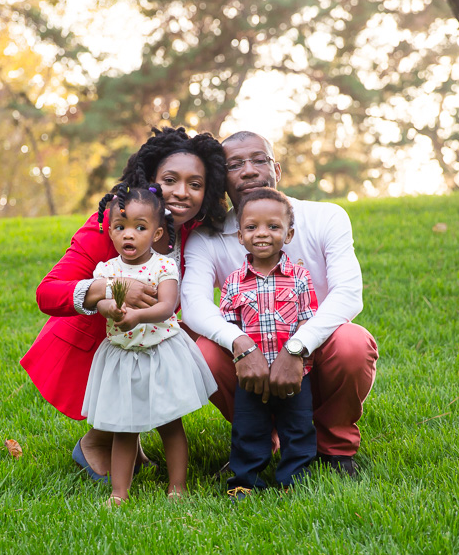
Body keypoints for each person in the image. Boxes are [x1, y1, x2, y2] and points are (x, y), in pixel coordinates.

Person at [20, 127, 227, 482]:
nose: (182, 192)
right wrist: (113, 287)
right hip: (97, 335)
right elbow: (47, 293)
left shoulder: (193, 230)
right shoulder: (110, 226)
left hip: (155, 333)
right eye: (170, 179)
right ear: (148, 180)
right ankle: (95, 443)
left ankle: (134, 438)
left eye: (195, 184)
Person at [181, 131, 378, 477]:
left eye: (260, 160)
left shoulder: (326, 217)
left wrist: (298, 347)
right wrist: (239, 344)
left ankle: (333, 446)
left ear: (278, 169)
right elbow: (194, 305)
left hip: (317, 350)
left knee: (353, 343)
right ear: (221, 178)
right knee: (206, 352)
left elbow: (348, 293)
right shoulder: (207, 237)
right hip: (251, 360)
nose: (249, 170)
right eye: (234, 164)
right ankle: (260, 436)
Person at [82, 185, 217, 505]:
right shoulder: (106, 271)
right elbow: (100, 304)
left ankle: (178, 486)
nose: (129, 235)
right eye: (120, 227)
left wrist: (138, 316)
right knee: (124, 428)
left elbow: (167, 307)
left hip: (161, 352)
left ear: (156, 233)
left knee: (170, 424)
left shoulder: (163, 267)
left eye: (139, 228)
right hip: (123, 356)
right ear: (110, 232)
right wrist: (108, 308)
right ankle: (119, 492)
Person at [219, 187, 318, 500]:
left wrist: (296, 355)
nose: (262, 234)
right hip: (252, 376)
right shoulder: (234, 281)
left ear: (288, 235)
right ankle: (245, 481)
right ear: (240, 236)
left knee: (298, 427)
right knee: (248, 429)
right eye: (251, 227)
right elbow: (228, 324)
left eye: (272, 227)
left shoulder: (299, 277)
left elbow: (308, 319)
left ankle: (296, 481)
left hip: (294, 373)